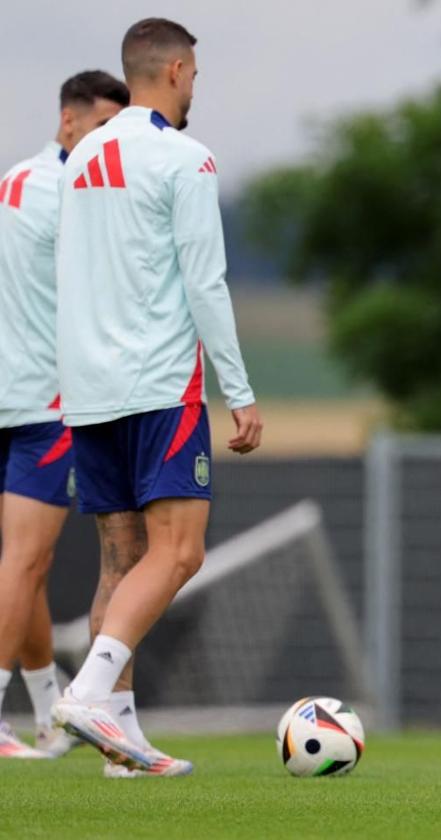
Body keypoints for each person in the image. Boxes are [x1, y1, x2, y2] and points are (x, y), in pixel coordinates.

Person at [50, 17, 262, 778]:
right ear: (175, 70)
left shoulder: (78, 159)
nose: (195, 87)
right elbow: (204, 281)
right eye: (196, 75)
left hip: (88, 389)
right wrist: (238, 392)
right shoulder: (185, 160)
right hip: (158, 384)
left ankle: (121, 741)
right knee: (179, 550)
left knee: (122, 559)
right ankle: (89, 691)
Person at [0, 71, 128, 760]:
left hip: (7, 387)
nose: (110, 145)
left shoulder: (15, 180)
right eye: (104, 130)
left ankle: (50, 712)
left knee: (25, 569)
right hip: (44, 402)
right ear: (70, 122)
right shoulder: (78, 196)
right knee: (25, 561)